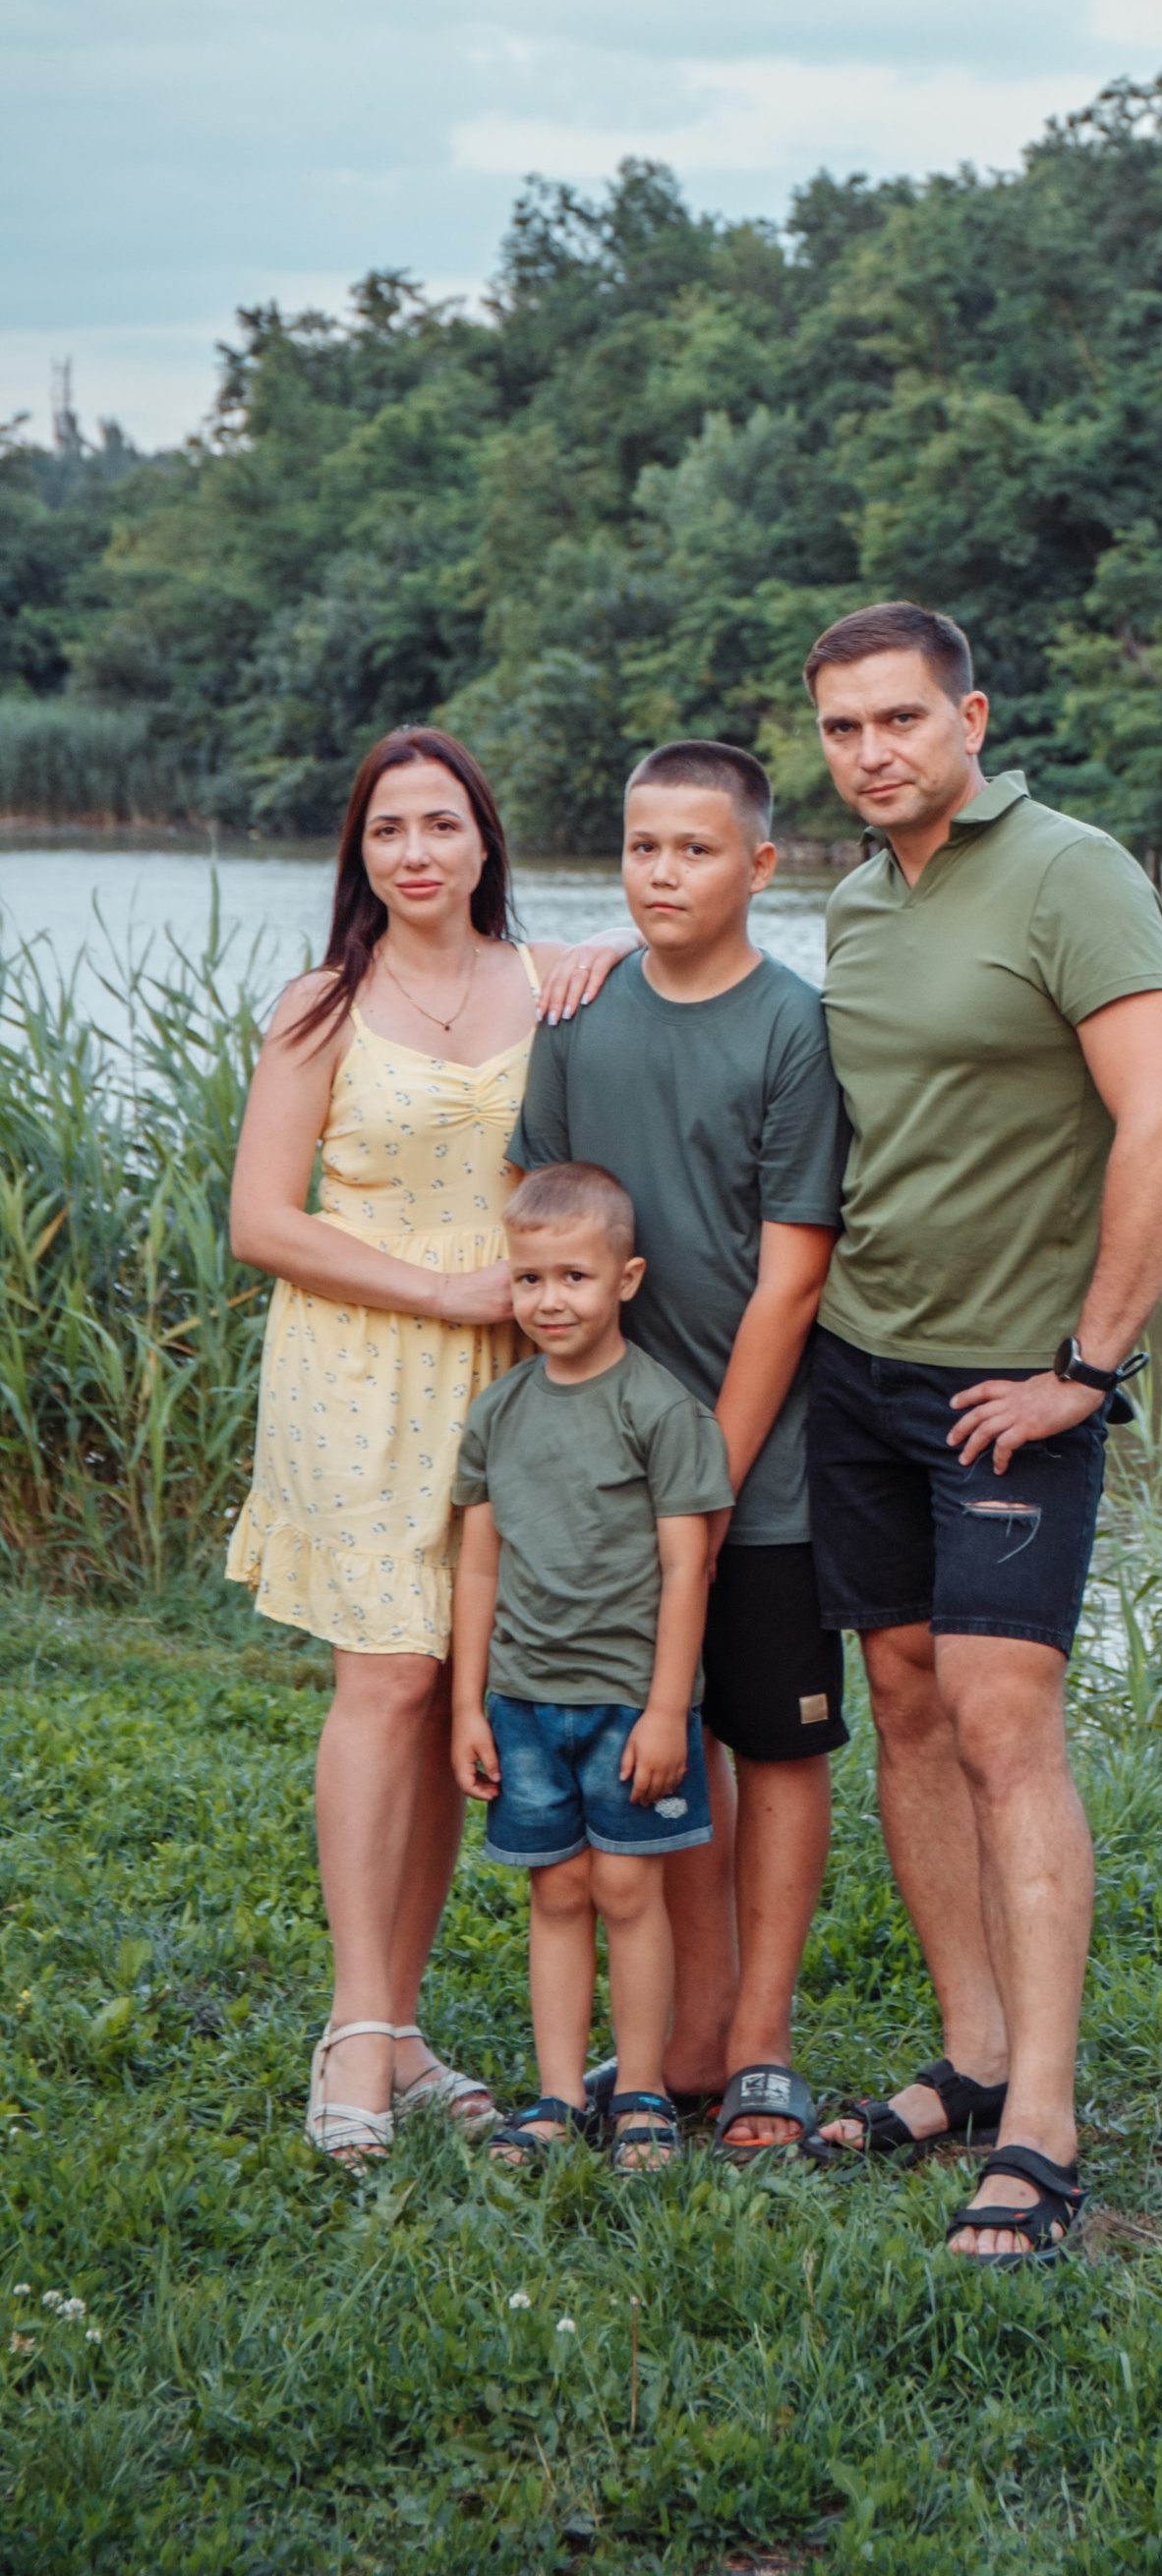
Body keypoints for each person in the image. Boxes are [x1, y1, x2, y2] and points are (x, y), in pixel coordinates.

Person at [800, 601, 1162, 2261]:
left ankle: (1041, 2124)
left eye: (901, 719)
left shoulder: (1071, 872)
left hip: (1010, 1386)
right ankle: (969, 2057)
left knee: (1001, 1719)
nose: (873, 752)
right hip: (860, 1365)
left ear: (974, 716)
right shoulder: (846, 903)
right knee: (903, 1699)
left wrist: (1088, 1368)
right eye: (841, 729)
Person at [227, 727, 628, 2165]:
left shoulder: (555, 985)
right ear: (361, 853)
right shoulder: (321, 1008)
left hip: (521, 1373)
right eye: (388, 829)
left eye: (441, 825)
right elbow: (262, 1221)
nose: (415, 852)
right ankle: (349, 2027)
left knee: (463, 1682)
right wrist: (444, 1289)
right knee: (386, 1682)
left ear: (483, 843)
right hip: (361, 1359)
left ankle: (402, 2029)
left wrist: (598, 953)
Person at [508, 738, 847, 2158]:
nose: (662, 873)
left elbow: (793, 1278)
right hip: (601, 1489)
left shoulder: (791, 1026)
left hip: (756, 1473)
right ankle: (684, 2036)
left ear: (760, 866)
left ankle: (759, 2039)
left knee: (771, 1743)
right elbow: (539, 1226)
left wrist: (702, 1476)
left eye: (696, 850)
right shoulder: (580, 1023)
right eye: (643, 847)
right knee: (664, 1739)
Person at [449, 1162, 733, 2171]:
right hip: (522, 1699)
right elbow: (478, 1562)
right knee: (556, 1892)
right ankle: (561, 2094)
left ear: (627, 1278)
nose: (548, 1299)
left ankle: (644, 2091)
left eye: (572, 1275)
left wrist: (668, 1712)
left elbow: (686, 1565)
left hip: (627, 1702)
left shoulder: (660, 1408)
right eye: (529, 1278)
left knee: (626, 1890)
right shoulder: (498, 1411)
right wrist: (465, 1708)